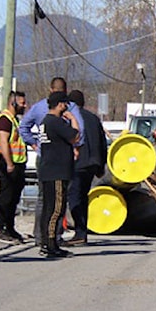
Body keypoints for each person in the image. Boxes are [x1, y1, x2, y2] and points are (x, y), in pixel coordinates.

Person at [20, 77, 86, 245]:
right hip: (58, 164)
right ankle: (52, 238)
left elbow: (24, 127)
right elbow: (78, 133)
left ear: (50, 90)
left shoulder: (39, 110)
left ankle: (40, 236)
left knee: (43, 201)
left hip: (44, 158)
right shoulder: (60, 116)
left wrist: (35, 144)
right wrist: (76, 145)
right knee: (57, 204)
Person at [37, 91, 80, 259]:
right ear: (60, 104)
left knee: (48, 208)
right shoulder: (55, 122)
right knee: (56, 208)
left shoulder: (45, 122)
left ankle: (46, 242)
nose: (67, 107)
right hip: (56, 171)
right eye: (65, 104)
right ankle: (50, 244)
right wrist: (73, 120)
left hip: (48, 169)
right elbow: (74, 136)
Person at [64, 90, 107, 246]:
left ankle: (80, 231)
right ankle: (82, 231)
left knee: (74, 197)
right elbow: (103, 143)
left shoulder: (71, 118)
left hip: (77, 163)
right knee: (83, 197)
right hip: (92, 164)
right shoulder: (94, 119)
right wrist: (102, 165)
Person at [0, 90, 28, 244]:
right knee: (6, 197)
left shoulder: (14, 120)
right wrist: (9, 163)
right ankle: (1, 228)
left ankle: (10, 227)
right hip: (9, 163)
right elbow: (4, 142)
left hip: (18, 163)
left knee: (14, 198)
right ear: (13, 103)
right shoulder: (5, 120)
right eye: (22, 103)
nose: (24, 106)